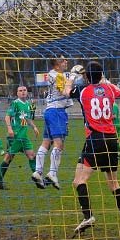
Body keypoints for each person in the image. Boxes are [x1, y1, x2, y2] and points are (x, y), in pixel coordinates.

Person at [71, 61, 120, 237]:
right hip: (112, 139)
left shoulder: (83, 91)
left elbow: (65, 92)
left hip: (95, 138)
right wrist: (104, 79)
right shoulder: (109, 90)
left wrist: (72, 75)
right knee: (114, 183)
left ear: (86, 76)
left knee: (79, 181)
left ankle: (88, 216)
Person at [31, 57, 79, 190]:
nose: (66, 62)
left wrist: (72, 77)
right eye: (64, 61)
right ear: (57, 64)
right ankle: (52, 173)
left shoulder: (55, 75)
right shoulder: (58, 76)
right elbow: (65, 92)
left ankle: (38, 172)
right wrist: (74, 77)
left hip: (49, 111)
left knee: (46, 142)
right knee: (59, 144)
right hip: (57, 112)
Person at [0, 86, 40, 190]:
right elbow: (7, 117)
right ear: (17, 93)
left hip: (24, 136)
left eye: (24, 90)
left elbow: (27, 118)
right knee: (8, 157)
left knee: (32, 155)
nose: (23, 92)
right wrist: (9, 129)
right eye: (20, 91)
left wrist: (34, 127)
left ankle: (38, 179)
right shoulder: (15, 103)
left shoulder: (28, 104)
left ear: (27, 92)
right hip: (15, 136)